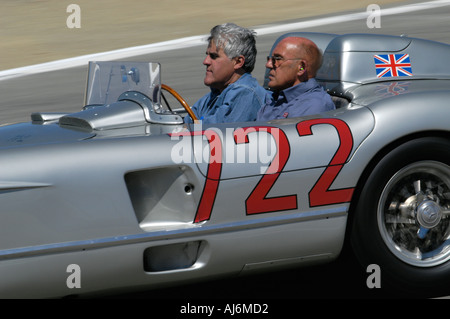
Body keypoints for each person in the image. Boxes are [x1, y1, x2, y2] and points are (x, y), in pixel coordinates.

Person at [184, 23, 268, 124]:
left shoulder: (245, 94)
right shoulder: (213, 95)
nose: (205, 61)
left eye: (214, 56)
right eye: (207, 55)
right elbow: (186, 124)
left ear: (238, 62)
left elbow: (217, 133)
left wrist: (191, 126)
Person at [257, 37, 335, 121]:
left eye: (277, 59)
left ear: (301, 67)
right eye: (270, 59)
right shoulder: (275, 98)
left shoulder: (313, 106)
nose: (268, 65)